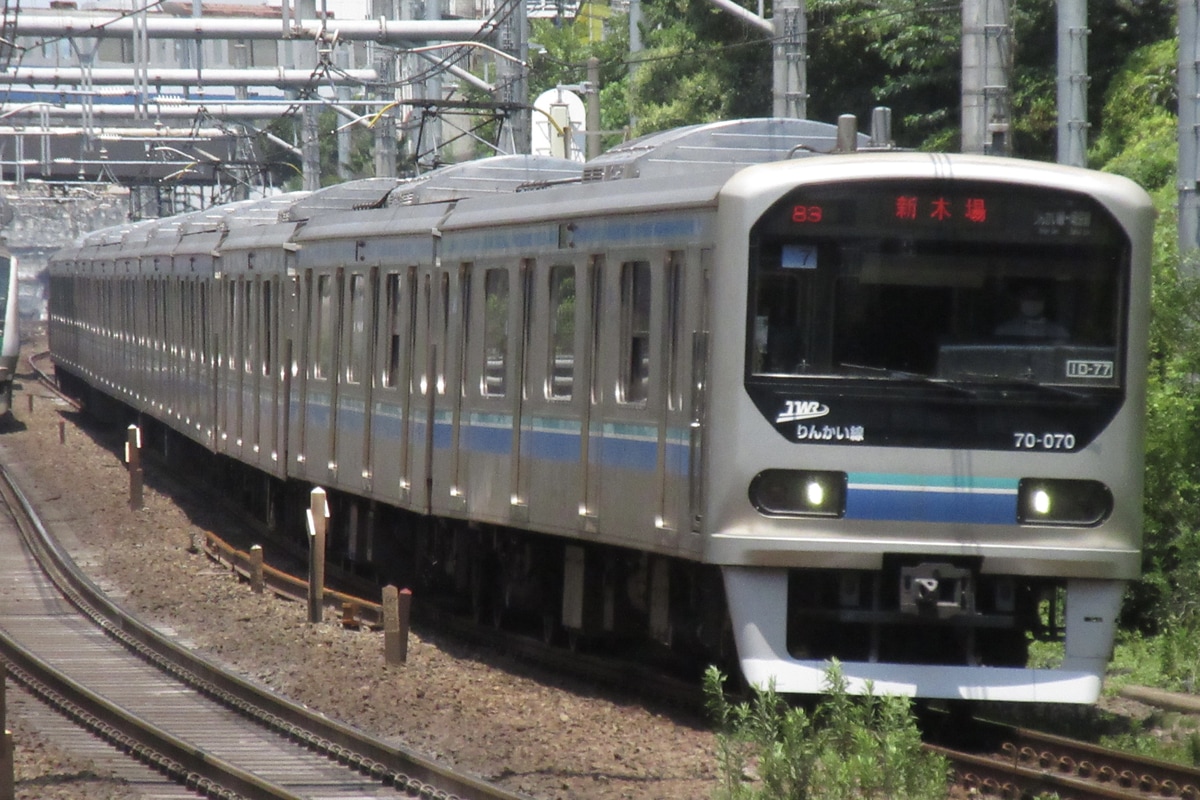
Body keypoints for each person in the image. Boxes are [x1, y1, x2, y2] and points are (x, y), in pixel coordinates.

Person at [994, 283, 1069, 340]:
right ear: (1019, 300)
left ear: (1044, 301)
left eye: (1036, 297)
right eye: (1027, 296)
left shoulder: (1059, 332)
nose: (1032, 300)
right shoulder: (1004, 330)